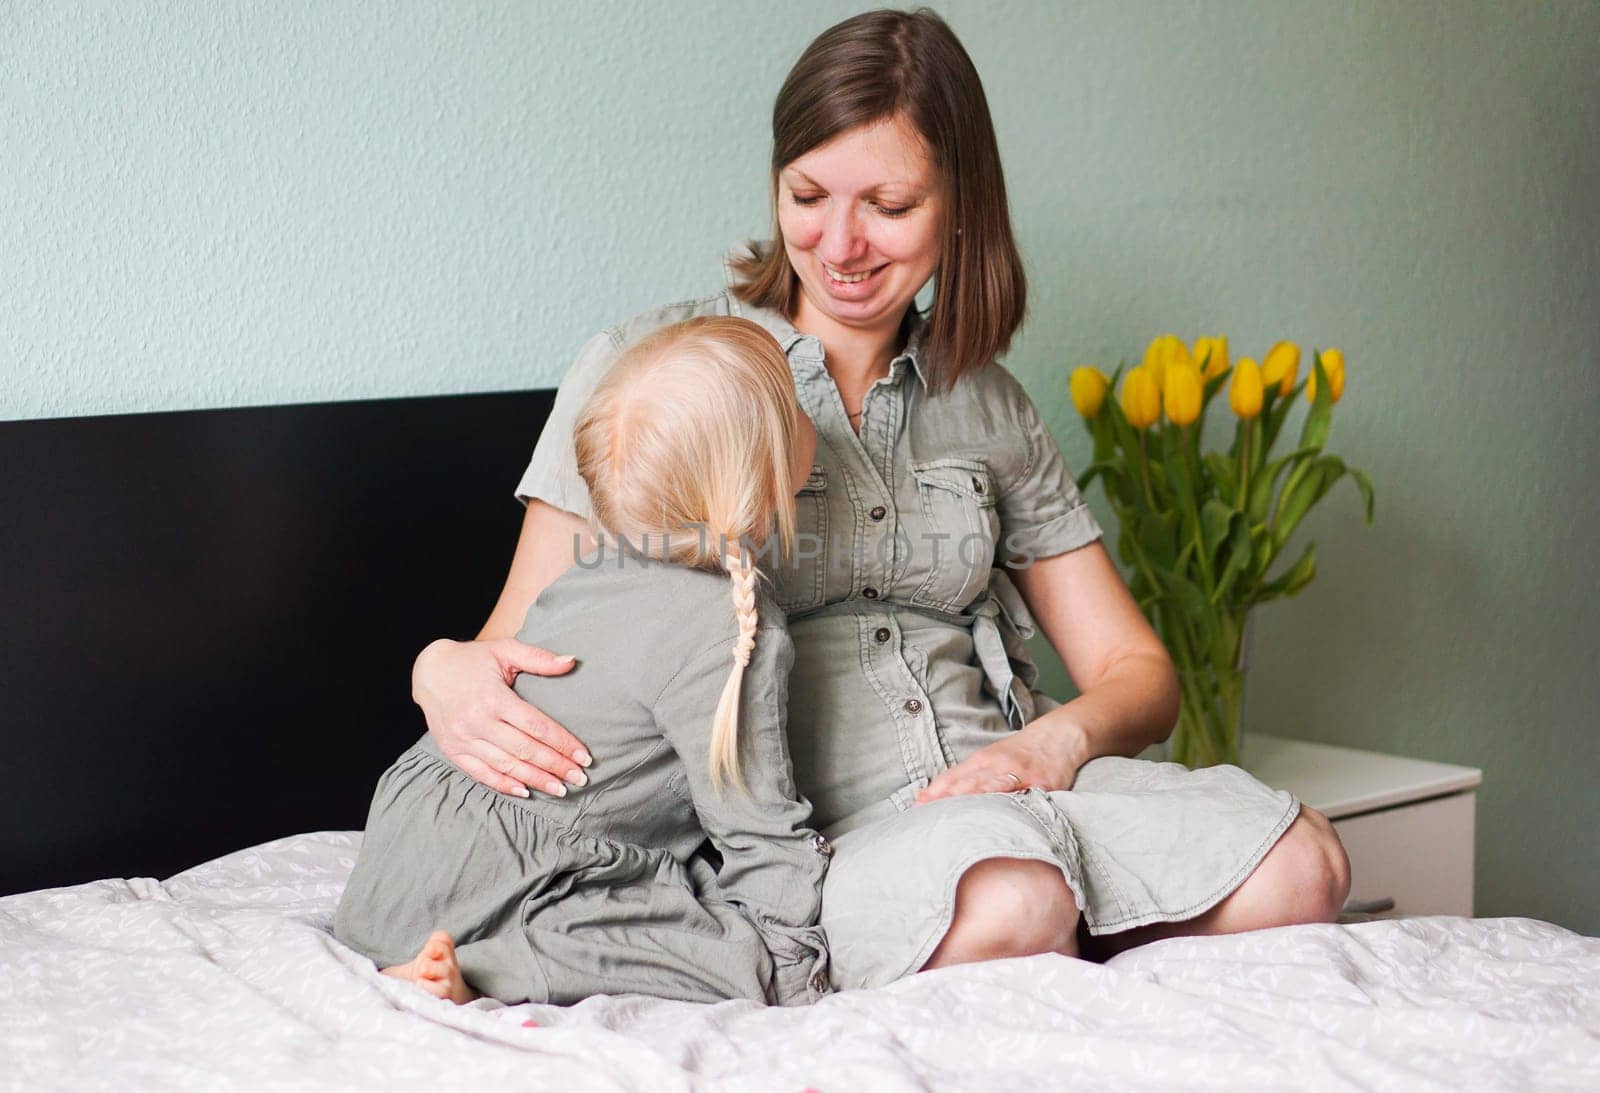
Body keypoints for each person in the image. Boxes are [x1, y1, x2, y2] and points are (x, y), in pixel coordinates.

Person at [411, 8, 1351, 990]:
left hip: (1010, 778)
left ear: (959, 207)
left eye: (890, 205)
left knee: (1301, 867)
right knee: (1013, 905)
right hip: (822, 837)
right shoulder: (652, 373)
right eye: (807, 195)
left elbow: (1133, 668)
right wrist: (439, 669)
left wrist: (1056, 740)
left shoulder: (989, 403)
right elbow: (519, 636)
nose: (841, 243)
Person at [334, 317, 834, 1006]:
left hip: (402, 853)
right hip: (507, 884)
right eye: (797, 411)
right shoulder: (731, 628)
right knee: (741, 956)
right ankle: (488, 968)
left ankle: (423, 954)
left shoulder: (595, 566)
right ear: (764, 472)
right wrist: (786, 951)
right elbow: (757, 823)